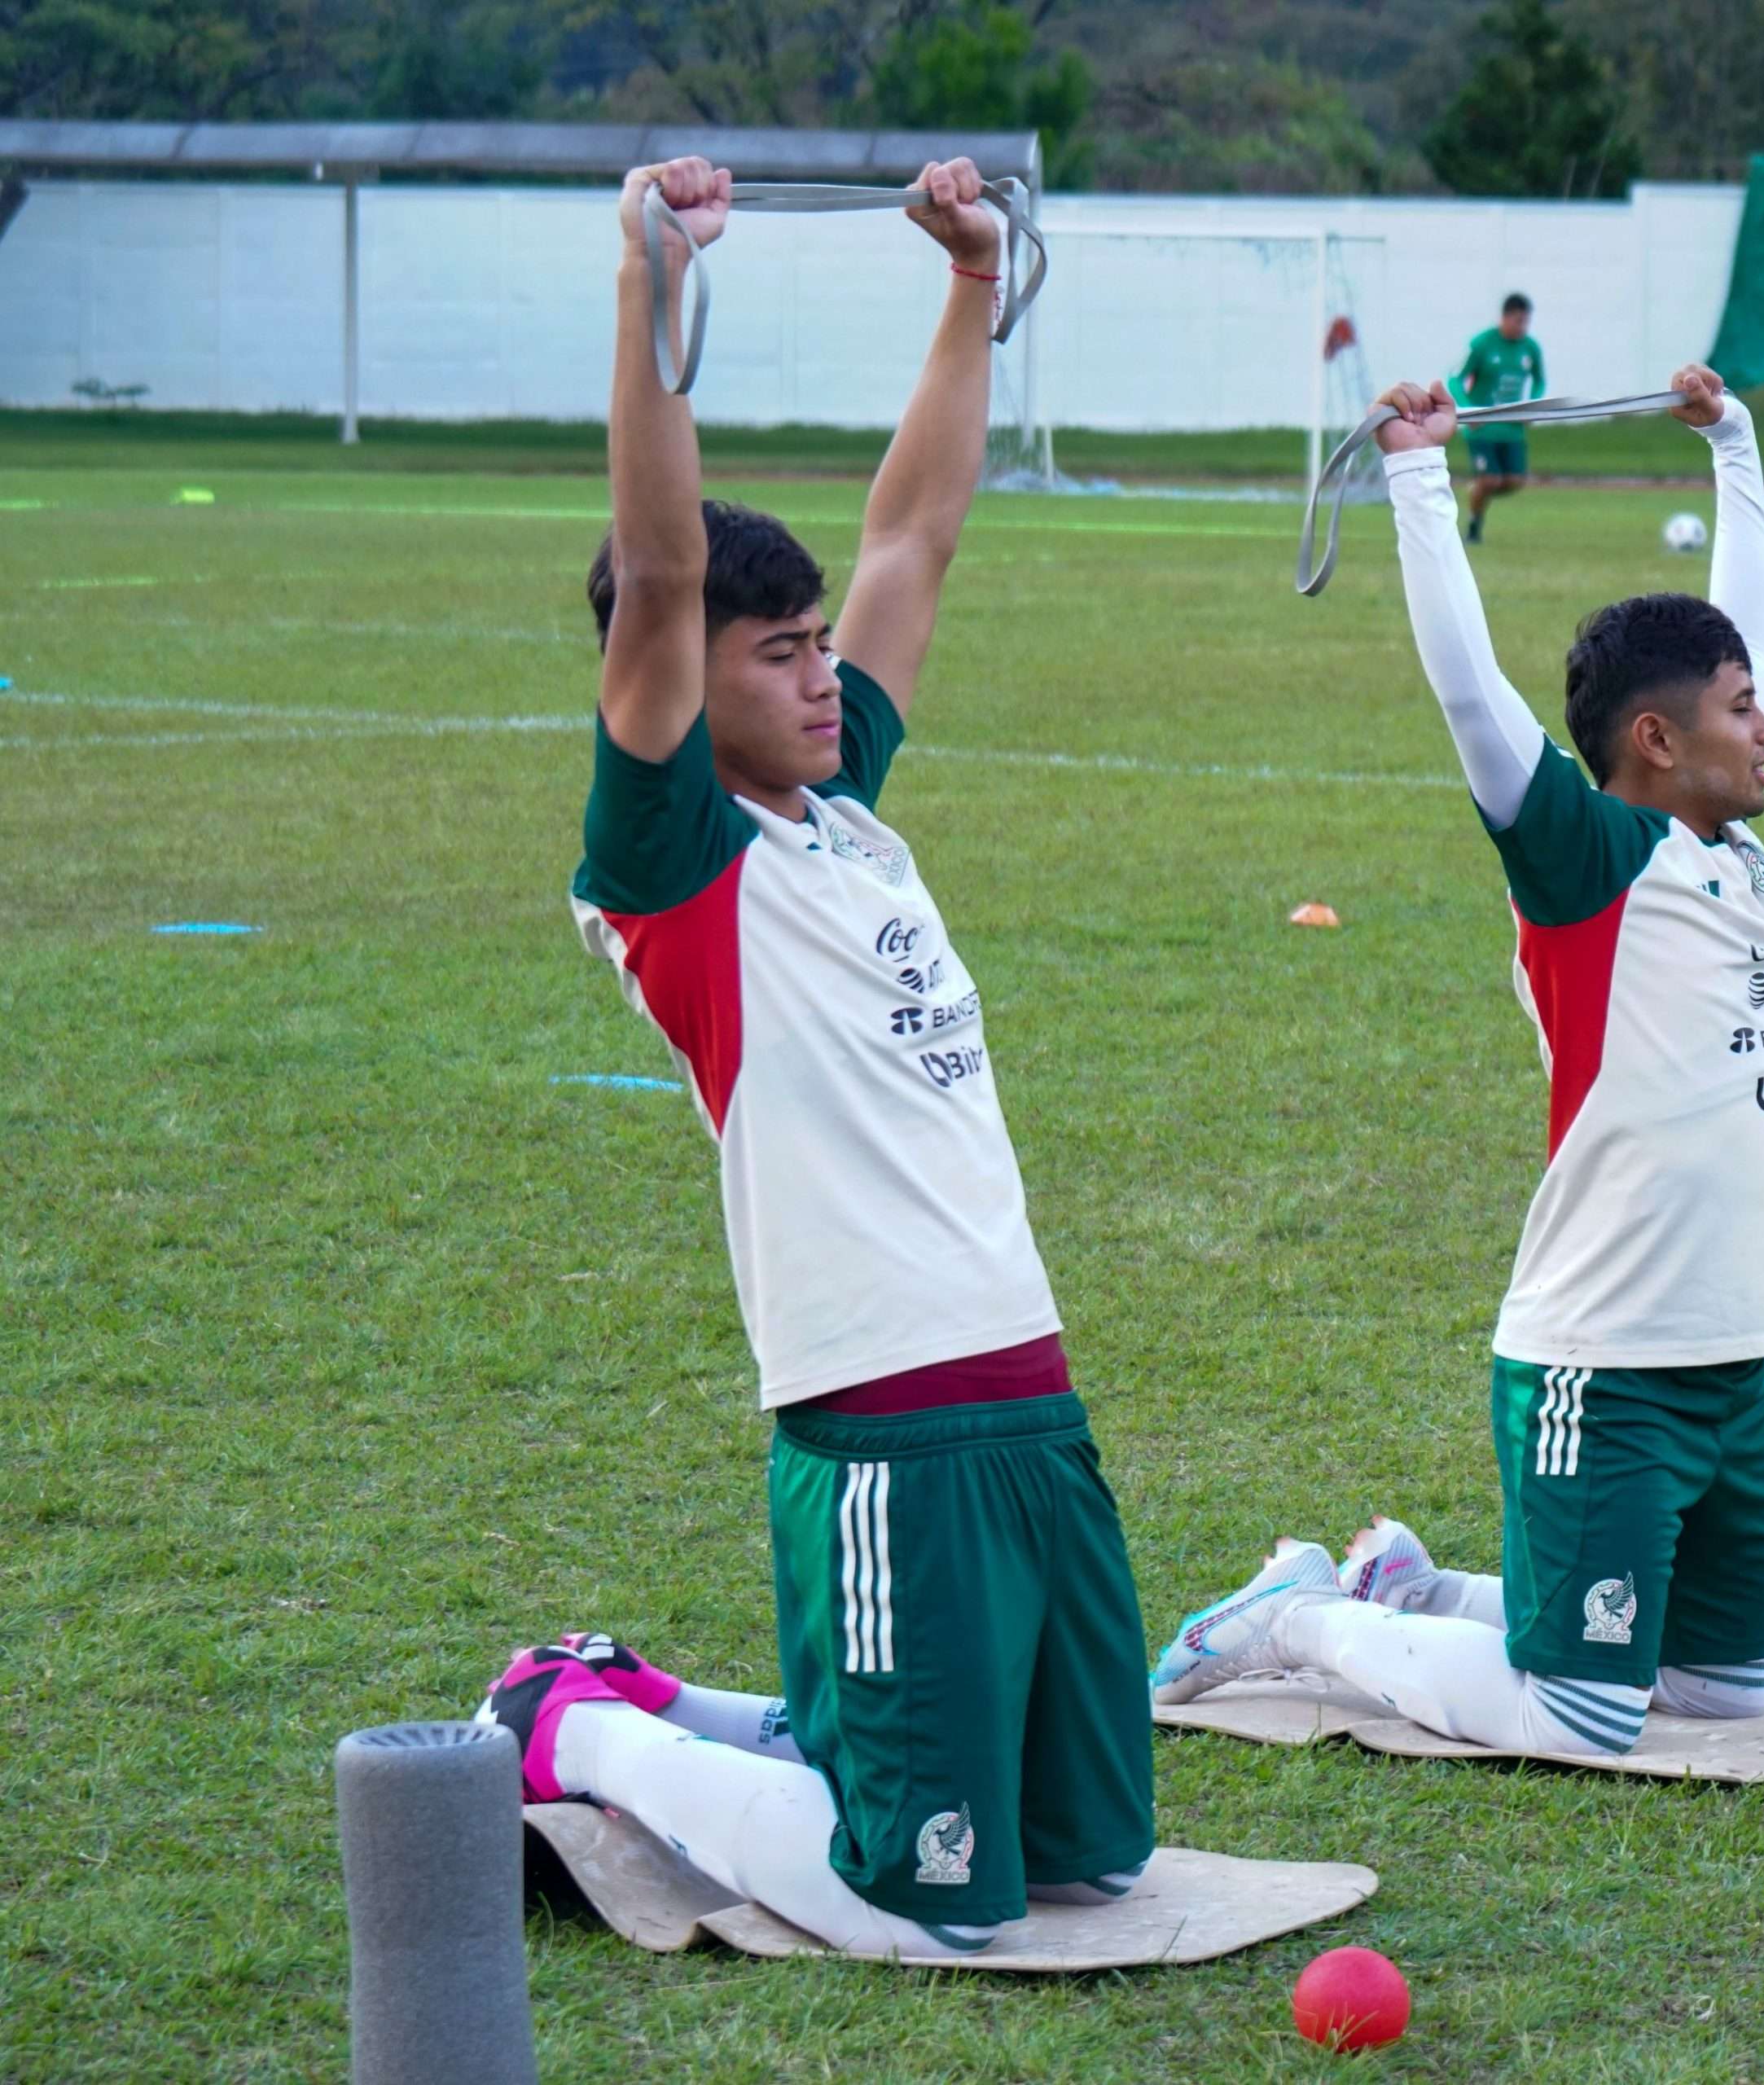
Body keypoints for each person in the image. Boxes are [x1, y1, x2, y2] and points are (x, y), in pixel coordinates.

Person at [472, 156, 1153, 1961]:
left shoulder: (843, 814)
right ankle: (576, 1720)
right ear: (685, 677)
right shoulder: (677, 867)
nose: (824, 674)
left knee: (1091, 1859)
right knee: (917, 1896)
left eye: (817, 648)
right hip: (881, 1431)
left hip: (1031, 1401)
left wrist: (970, 281)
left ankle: (694, 1700)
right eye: (779, 658)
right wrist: (653, 278)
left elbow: (915, 532)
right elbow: (669, 561)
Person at [1148, 365, 1764, 1757]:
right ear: (1657, 740)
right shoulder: (1588, 862)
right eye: (1742, 708)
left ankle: (1416, 1588)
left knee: (1731, 1687)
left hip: (1725, 1356)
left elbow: (1741, 639)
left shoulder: (1731, 852)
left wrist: (1735, 448)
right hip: (1605, 1358)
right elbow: (1469, 690)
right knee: (1579, 1709)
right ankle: (1294, 1620)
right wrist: (1416, 474)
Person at [1451, 292, 1547, 544]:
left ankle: (1477, 492)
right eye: (1518, 321)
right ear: (1504, 318)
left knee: (1514, 481)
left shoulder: (1530, 348)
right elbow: (1454, 379)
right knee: (1490, 479)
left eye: (1526, 322)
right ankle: (1474, 525)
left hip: (1512, 428)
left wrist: (1533, 405)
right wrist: (1469, 410)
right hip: (1482, 428)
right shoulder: (1482, 344)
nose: (1522, 327)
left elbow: (1539, 380)